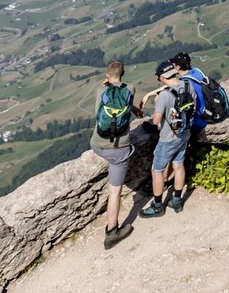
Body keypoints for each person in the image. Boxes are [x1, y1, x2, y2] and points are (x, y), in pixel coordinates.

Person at [88, 60, 142, 249]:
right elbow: (125, 98)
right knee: (114, 192)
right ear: (124, 73)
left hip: (97, 144)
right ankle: (112, 232)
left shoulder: (100, 91)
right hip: (119, 149)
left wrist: (106, 86)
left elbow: (98, 113)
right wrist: (134, 108)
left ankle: (112, 229)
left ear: (106, 76)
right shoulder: (131, 89)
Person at [138, 60, 191, 217]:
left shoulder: (165, 96)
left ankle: (157, 205)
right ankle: (177, 200)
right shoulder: (188, 86)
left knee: (157, 171)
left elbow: (155, 121)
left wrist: (157, 105)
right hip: (184, 133)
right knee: (178, 165)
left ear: (162, 77)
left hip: (168, 138)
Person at [171, 51, 211, 130]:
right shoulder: (197, 71)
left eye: (174, 65)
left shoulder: (185, 83)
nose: (173, 66)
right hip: (209, 110)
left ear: (178, 67)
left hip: (201, 119)